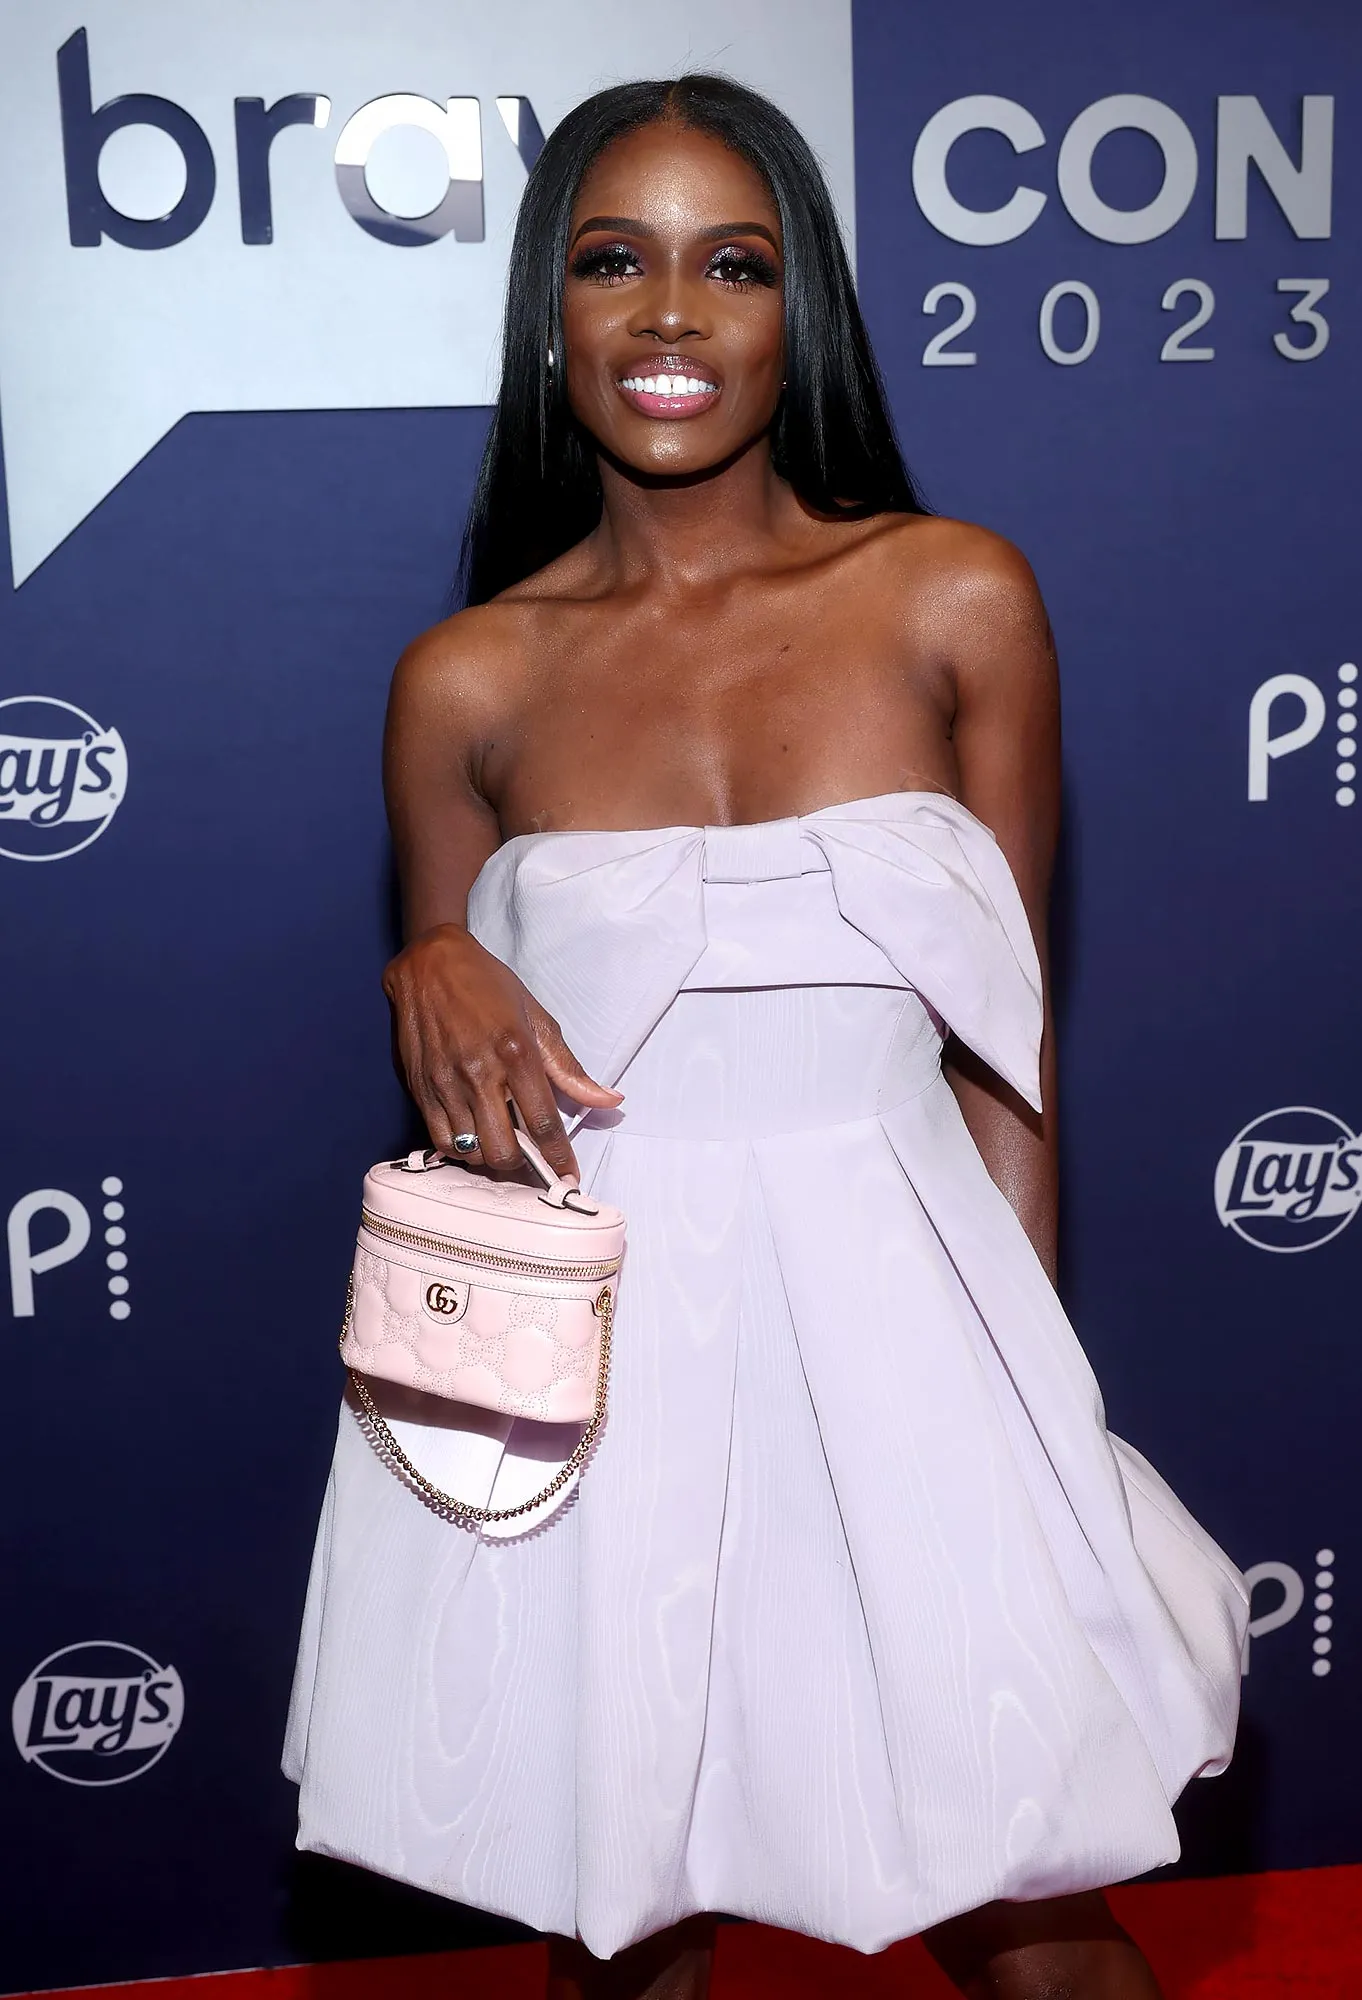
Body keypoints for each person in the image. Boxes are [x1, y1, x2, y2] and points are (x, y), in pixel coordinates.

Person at [285, 73, 1248, 2000]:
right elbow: (476, 1087)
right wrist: (425, 959)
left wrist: (1031, 1395)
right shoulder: (465, 680)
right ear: (547, 315)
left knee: (1036, 1922)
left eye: (730, 265)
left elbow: (1005, 1051)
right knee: (628, 1932)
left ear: (796, 309)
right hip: (611, 1354)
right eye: (610, 262)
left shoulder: (953, 597)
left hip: (908, 1327)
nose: (669, 315)